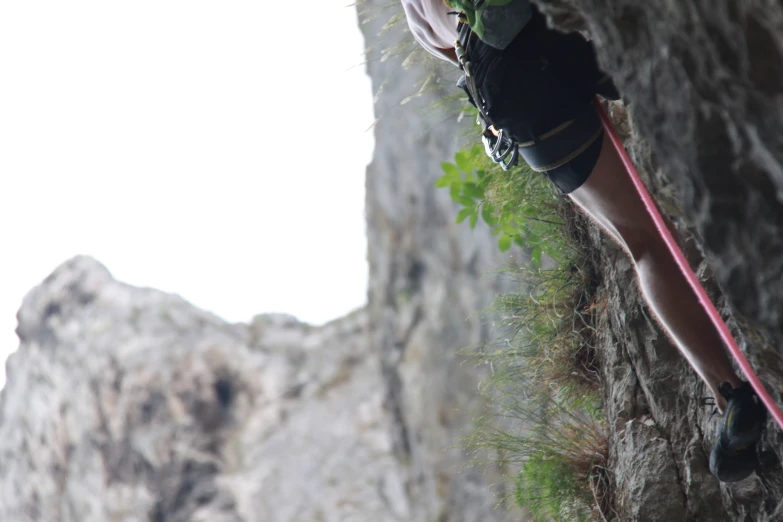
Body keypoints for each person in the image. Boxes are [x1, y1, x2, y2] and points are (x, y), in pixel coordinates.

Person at [401, 0, 768, 482]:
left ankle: (729, 393)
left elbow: (450, 49)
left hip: (517, 96)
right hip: (557, 33)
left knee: (644, 243)